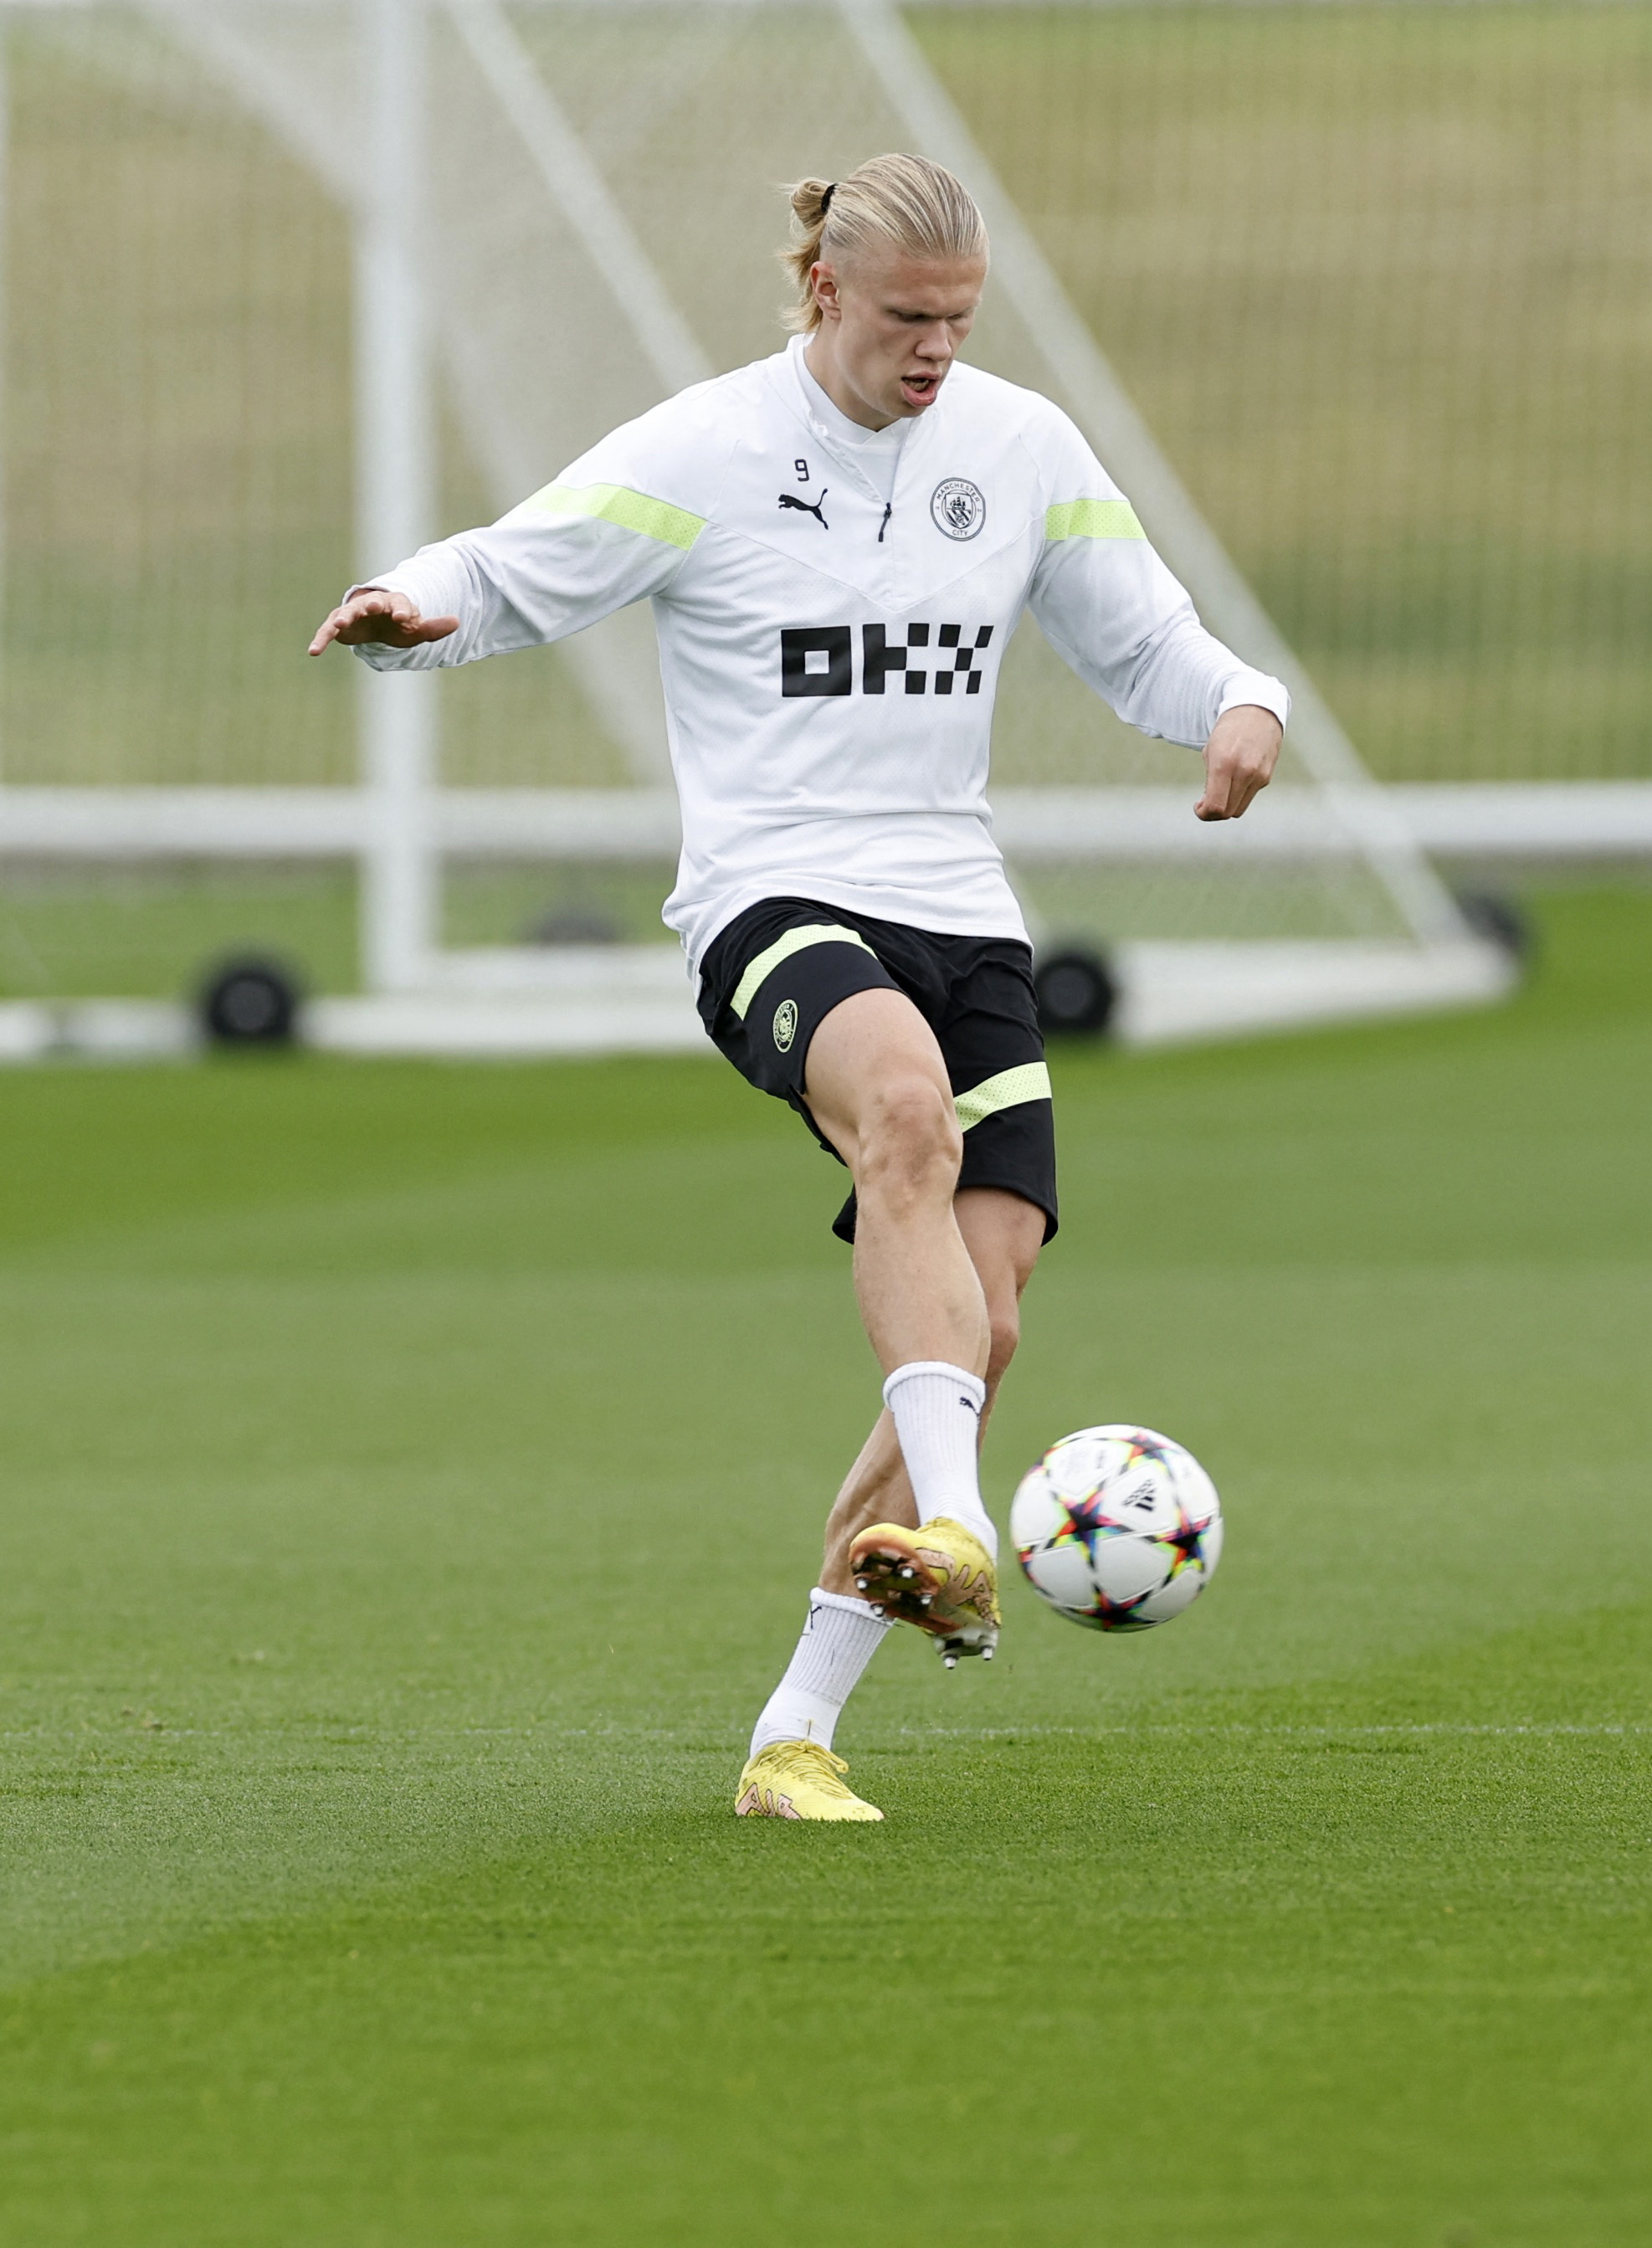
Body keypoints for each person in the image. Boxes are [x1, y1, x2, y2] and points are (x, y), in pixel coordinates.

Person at [309, 156, 1290, 1823]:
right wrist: (415, 609)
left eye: (960, 320)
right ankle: (962, 1531)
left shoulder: (1019, 448)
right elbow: (522, 563)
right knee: (902, 1112)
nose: (938, 351)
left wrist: (1238, 701)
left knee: (984, 1312)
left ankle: (794, 1735)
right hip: (771, 899)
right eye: (910, 318)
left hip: (962, 914)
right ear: (826, 289)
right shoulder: (711, 448)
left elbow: (1143, 636)